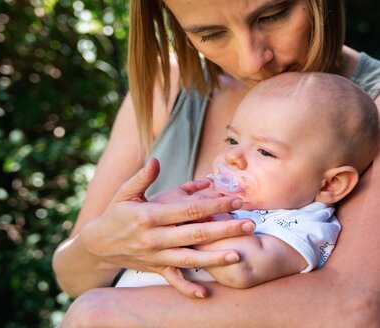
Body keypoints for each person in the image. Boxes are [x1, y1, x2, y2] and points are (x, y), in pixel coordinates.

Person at [53, 0, 380, 326]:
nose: (252, 62)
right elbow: (73, 279)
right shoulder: (166, 86)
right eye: (210, 34)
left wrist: (101, 312)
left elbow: (355, 308)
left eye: (273, 15)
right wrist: (106, 243)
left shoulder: (367, 114)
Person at [115, 72, 379, 290]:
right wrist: (162, 210)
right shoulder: (223, 197)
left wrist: (200, 217)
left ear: (329, 185)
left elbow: (242, 268)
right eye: (232, 140)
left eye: (265, 152)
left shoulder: (305, 226)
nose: (233, 158)